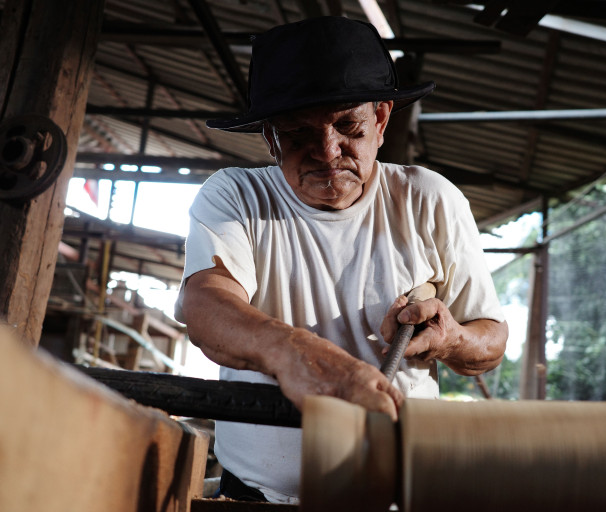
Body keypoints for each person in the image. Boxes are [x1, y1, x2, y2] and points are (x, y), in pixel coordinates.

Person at [175, 16, 508, 504]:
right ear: (270, 137)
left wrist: (452, 337)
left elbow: (491, 341)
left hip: (393, 493)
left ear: (381, 120)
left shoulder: (428, 199)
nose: (327, 151)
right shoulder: (236, 197)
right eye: (298, 133)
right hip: (253, 497)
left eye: (348, 125)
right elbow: (205, 307)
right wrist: (298, 355)